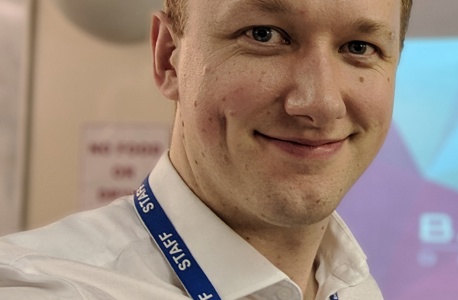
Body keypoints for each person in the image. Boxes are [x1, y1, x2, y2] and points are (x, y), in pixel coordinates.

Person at [0, 0, 412, 299]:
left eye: (359, 47)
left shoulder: (351, 285)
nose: (320, 103)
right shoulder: (44, 288)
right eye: (263, 35)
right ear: (169, 59)